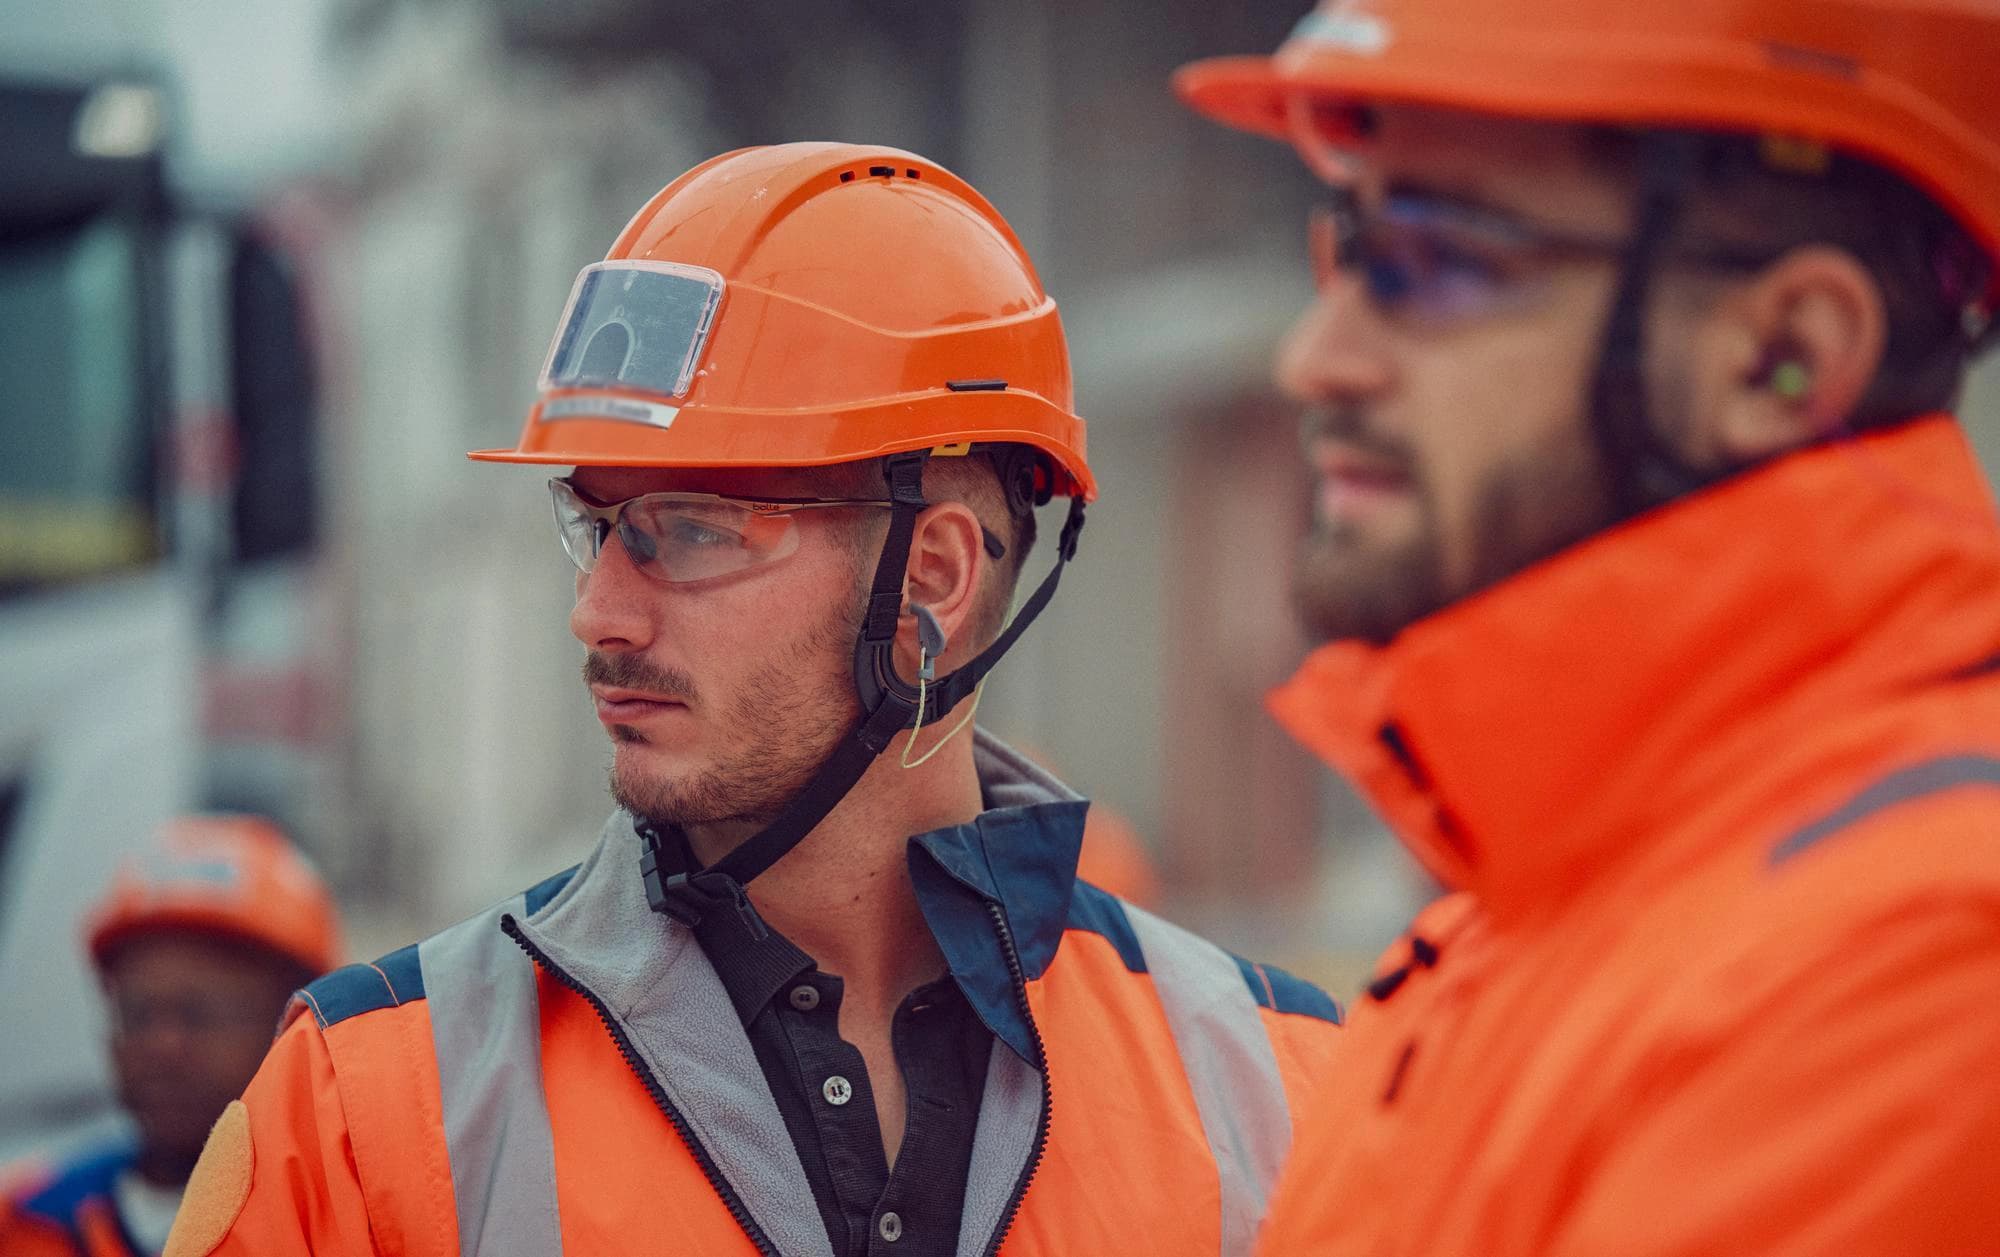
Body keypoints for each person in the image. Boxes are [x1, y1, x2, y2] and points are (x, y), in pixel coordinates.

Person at [165, 143, 1342, 1257]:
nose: (599, 614)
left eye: (689, 530)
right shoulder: (361, 1109)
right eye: (603, 527)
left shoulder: (1287, 1094)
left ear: (929, 578)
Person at [1175, 1, 2000, 1252]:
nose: (1316, 356)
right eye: (1343, 252)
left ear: (1780, 357)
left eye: (1432, 261)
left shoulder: (1919, 956)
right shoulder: (1511, 921)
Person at [0, 816, 342, 1257]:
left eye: (200, 1013)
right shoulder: (27, 1223)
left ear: (297, 1030)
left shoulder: (348, 1231)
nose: (163, 1046)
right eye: (139, 1012)